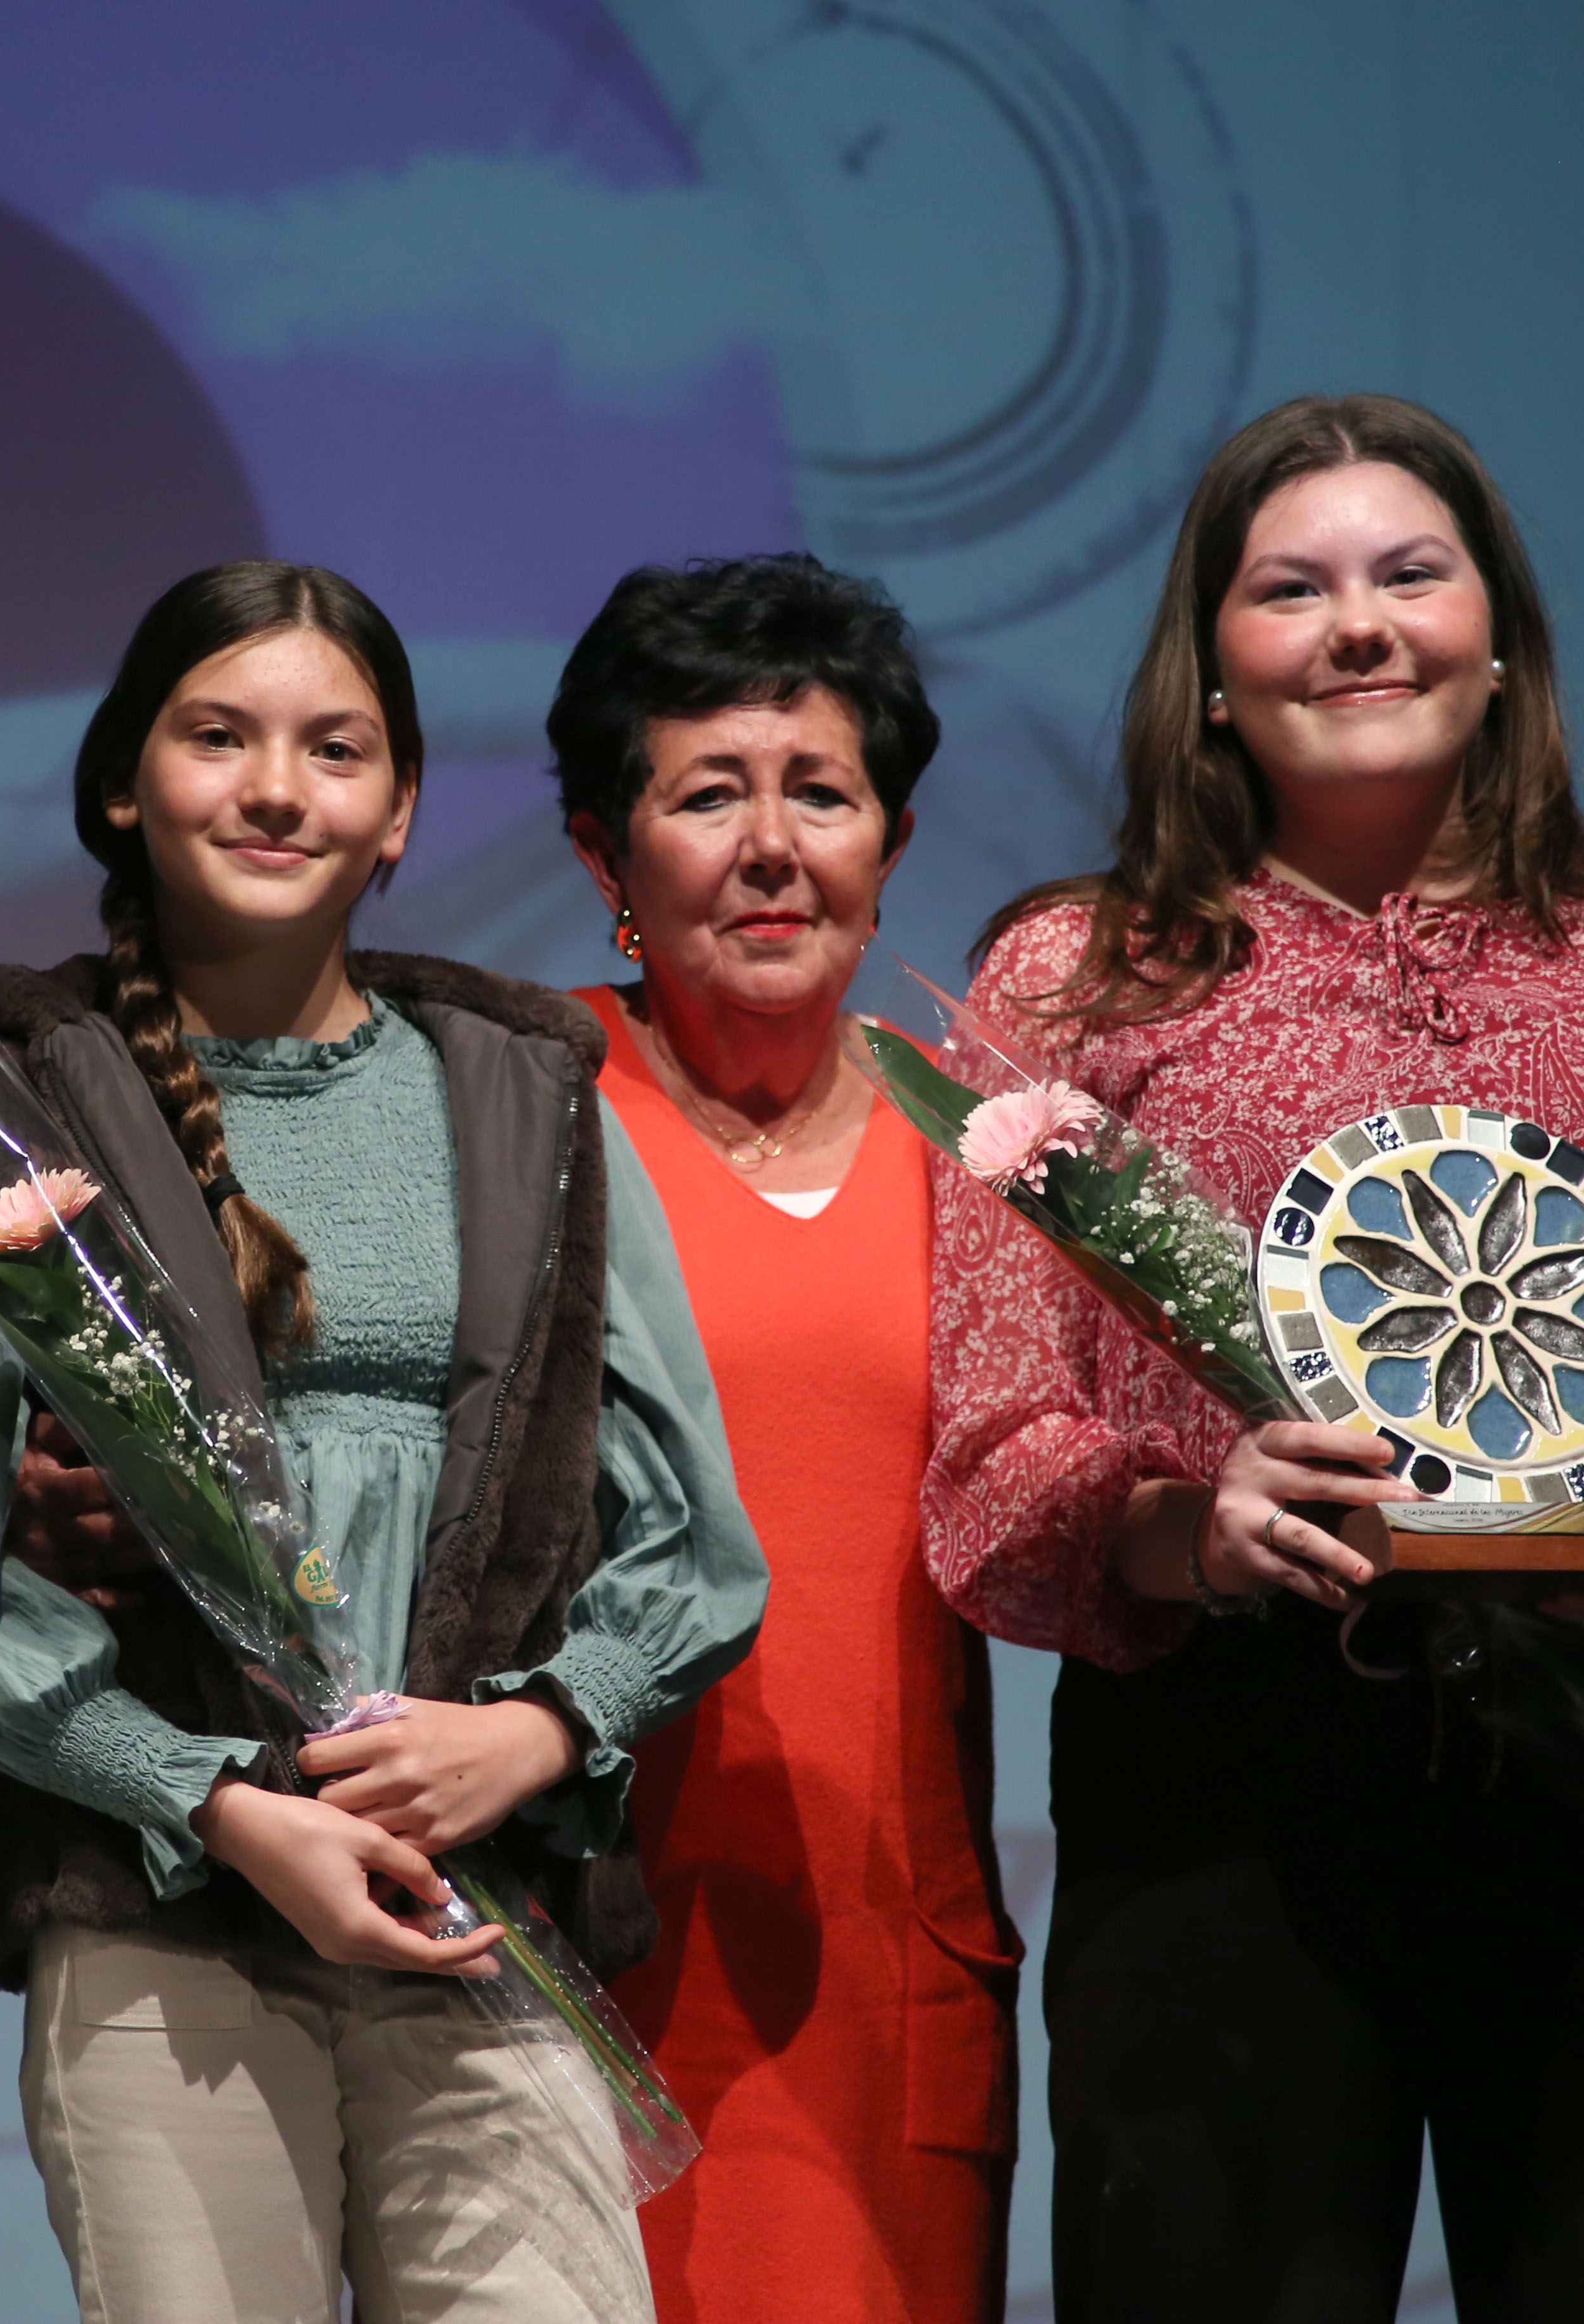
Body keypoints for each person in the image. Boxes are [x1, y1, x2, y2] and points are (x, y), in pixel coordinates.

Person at [926, 395, 1584, 2320]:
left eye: (1411, 574)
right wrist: (1191, 1530)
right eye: (1290, 590)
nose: (1359, 628)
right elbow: (992, 1455)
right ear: (1210, 670)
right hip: (1228, 1783)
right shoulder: (1075, 976)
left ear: (1504, 642)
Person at [0, 561, 768, 2324]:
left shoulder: (519, 1086)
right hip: (163, 1903)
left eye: (337, 749)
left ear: (401, 811)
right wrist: (213, 1803)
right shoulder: (4, 1095)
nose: (278, 789)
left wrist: (528, 1735)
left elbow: (693, 1537)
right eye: (219, 736)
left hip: (471, 1891)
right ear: (123, 784)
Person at [548, 553, 1021, 2324]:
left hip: (886, 1977)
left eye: (821, 792)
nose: (771, 848)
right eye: (706, 797)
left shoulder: (989, 1149)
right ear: (605, 855)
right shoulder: (519, 1103)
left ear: (890, 842)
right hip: (575, 1958)